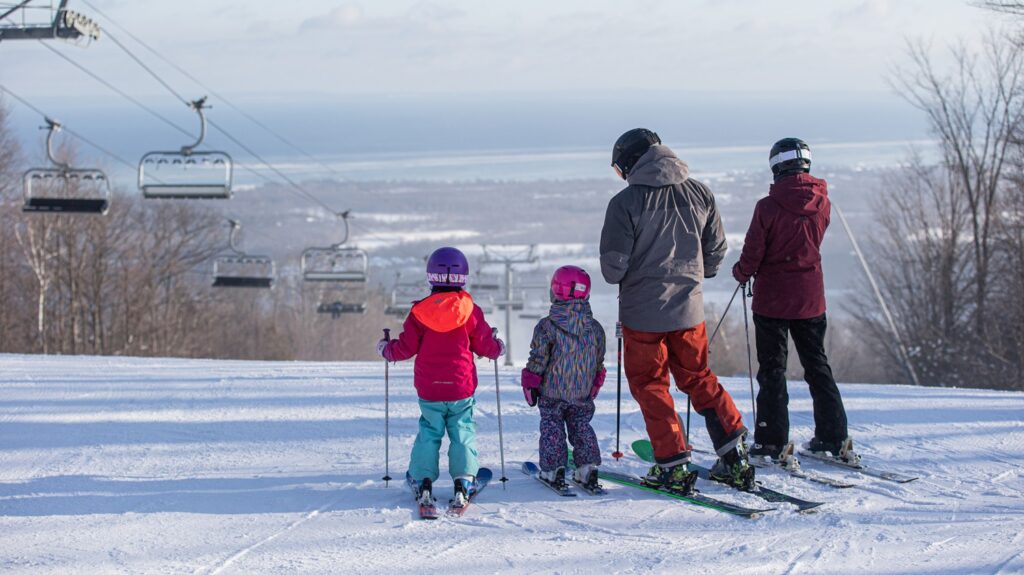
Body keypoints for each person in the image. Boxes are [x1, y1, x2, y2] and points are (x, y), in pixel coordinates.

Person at [600, 128, 754, 492]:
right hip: (690, 312)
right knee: (698, 377)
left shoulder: (624, 204)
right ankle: (734, 453)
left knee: (651, 385)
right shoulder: (700, 192)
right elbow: (715, 252)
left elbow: (613, 269)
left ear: (628, 163)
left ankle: (673, 463)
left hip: (642, 316)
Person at [732, 138, 859, 465]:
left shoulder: (768, 207)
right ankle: (834, 436)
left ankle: (772, 443)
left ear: (776, 166)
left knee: (772, 370)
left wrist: (741, 272)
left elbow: (754, 252)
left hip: (773, 300)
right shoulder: (823, 202)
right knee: (818, 365)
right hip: (811, 297)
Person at [377, 246, 505, 506]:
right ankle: (464, 480)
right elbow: (483, 345)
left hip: (430, 388)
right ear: (464, 276)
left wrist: (386, 349)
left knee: (429, 431)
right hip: (461, 387)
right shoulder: (470, 310)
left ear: (430, 276)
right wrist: (497, 347)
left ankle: (422, 480)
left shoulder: (420, 313)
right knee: (462, 431)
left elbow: (405, 348)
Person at [520, 265, 606, 491]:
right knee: (581, 425)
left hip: (552, 392)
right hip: (581, 392)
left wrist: (530, 382)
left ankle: (553, 469)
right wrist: (595, 381)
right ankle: (587, 468)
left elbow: (538, 359)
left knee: (552, 427)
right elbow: (599, 361)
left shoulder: (546, 327)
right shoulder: (595, 328)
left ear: (555, 292)